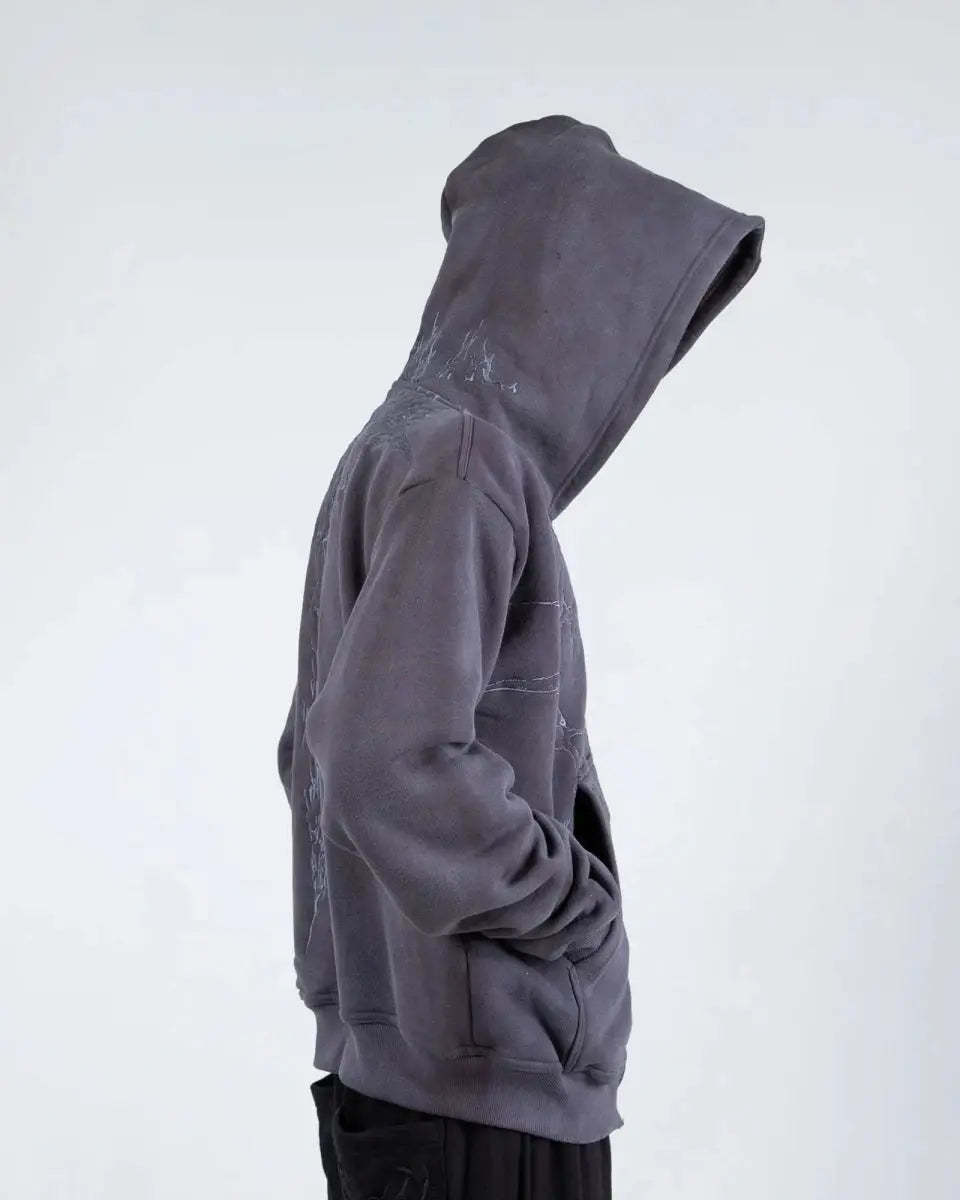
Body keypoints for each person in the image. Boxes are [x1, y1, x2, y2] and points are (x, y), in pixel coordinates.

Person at [276, 113, 764, 1199]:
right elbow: (378, 760)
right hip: (483, 1107)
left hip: (413, 1086)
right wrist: (573, 910)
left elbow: (310, 752)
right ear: (560, 290)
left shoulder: (399, 443)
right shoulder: (462, 460)